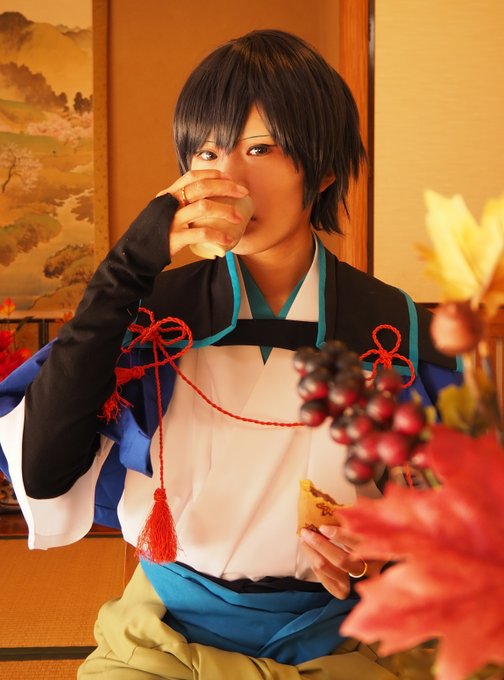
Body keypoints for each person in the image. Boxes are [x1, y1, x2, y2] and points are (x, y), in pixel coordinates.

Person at [0, 29, 459, 679]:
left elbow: (457, 520)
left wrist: (386, 553)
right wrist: (127, 270)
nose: (231, 177)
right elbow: (44, 471)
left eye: (260, 148)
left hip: (343, 640)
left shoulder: (393, 330)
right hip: (161, 637)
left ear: (324, 169)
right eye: (208, 151)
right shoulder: (151, 318)